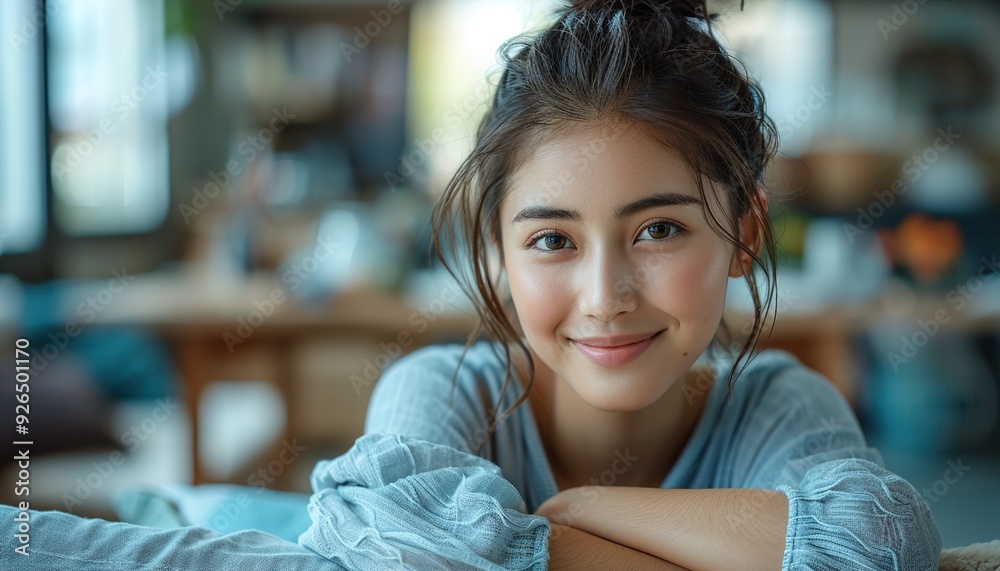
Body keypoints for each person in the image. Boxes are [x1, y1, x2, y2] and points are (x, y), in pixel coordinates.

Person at [1, 0, 942, 569]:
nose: (607, 293)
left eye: (658, 229)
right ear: (493, 253)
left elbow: (883, 545)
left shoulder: (777, 403)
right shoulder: (445, 387)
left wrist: (580, 507)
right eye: (551, 240)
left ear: (743, 234)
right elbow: (399, 549)